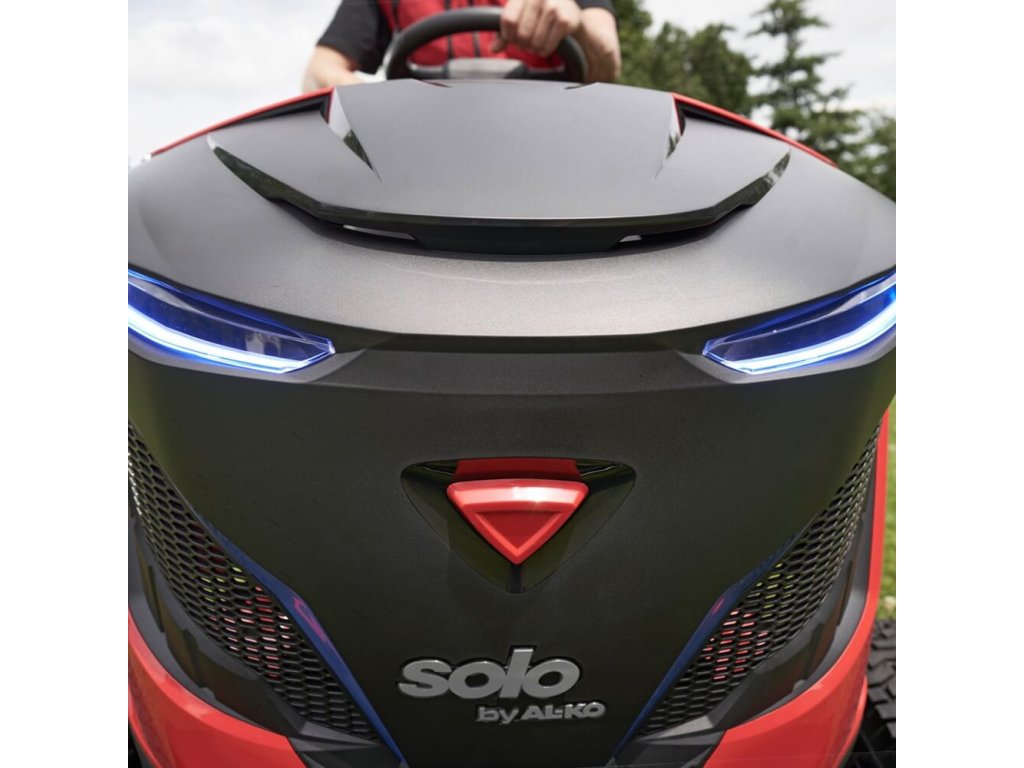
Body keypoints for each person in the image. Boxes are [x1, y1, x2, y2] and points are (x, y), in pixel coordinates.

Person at [303, 0, 620, 90]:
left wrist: (577, 23)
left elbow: (608, 61)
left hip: (551, 132)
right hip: (428, 142)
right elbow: (320, 71)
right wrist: (383, 110)